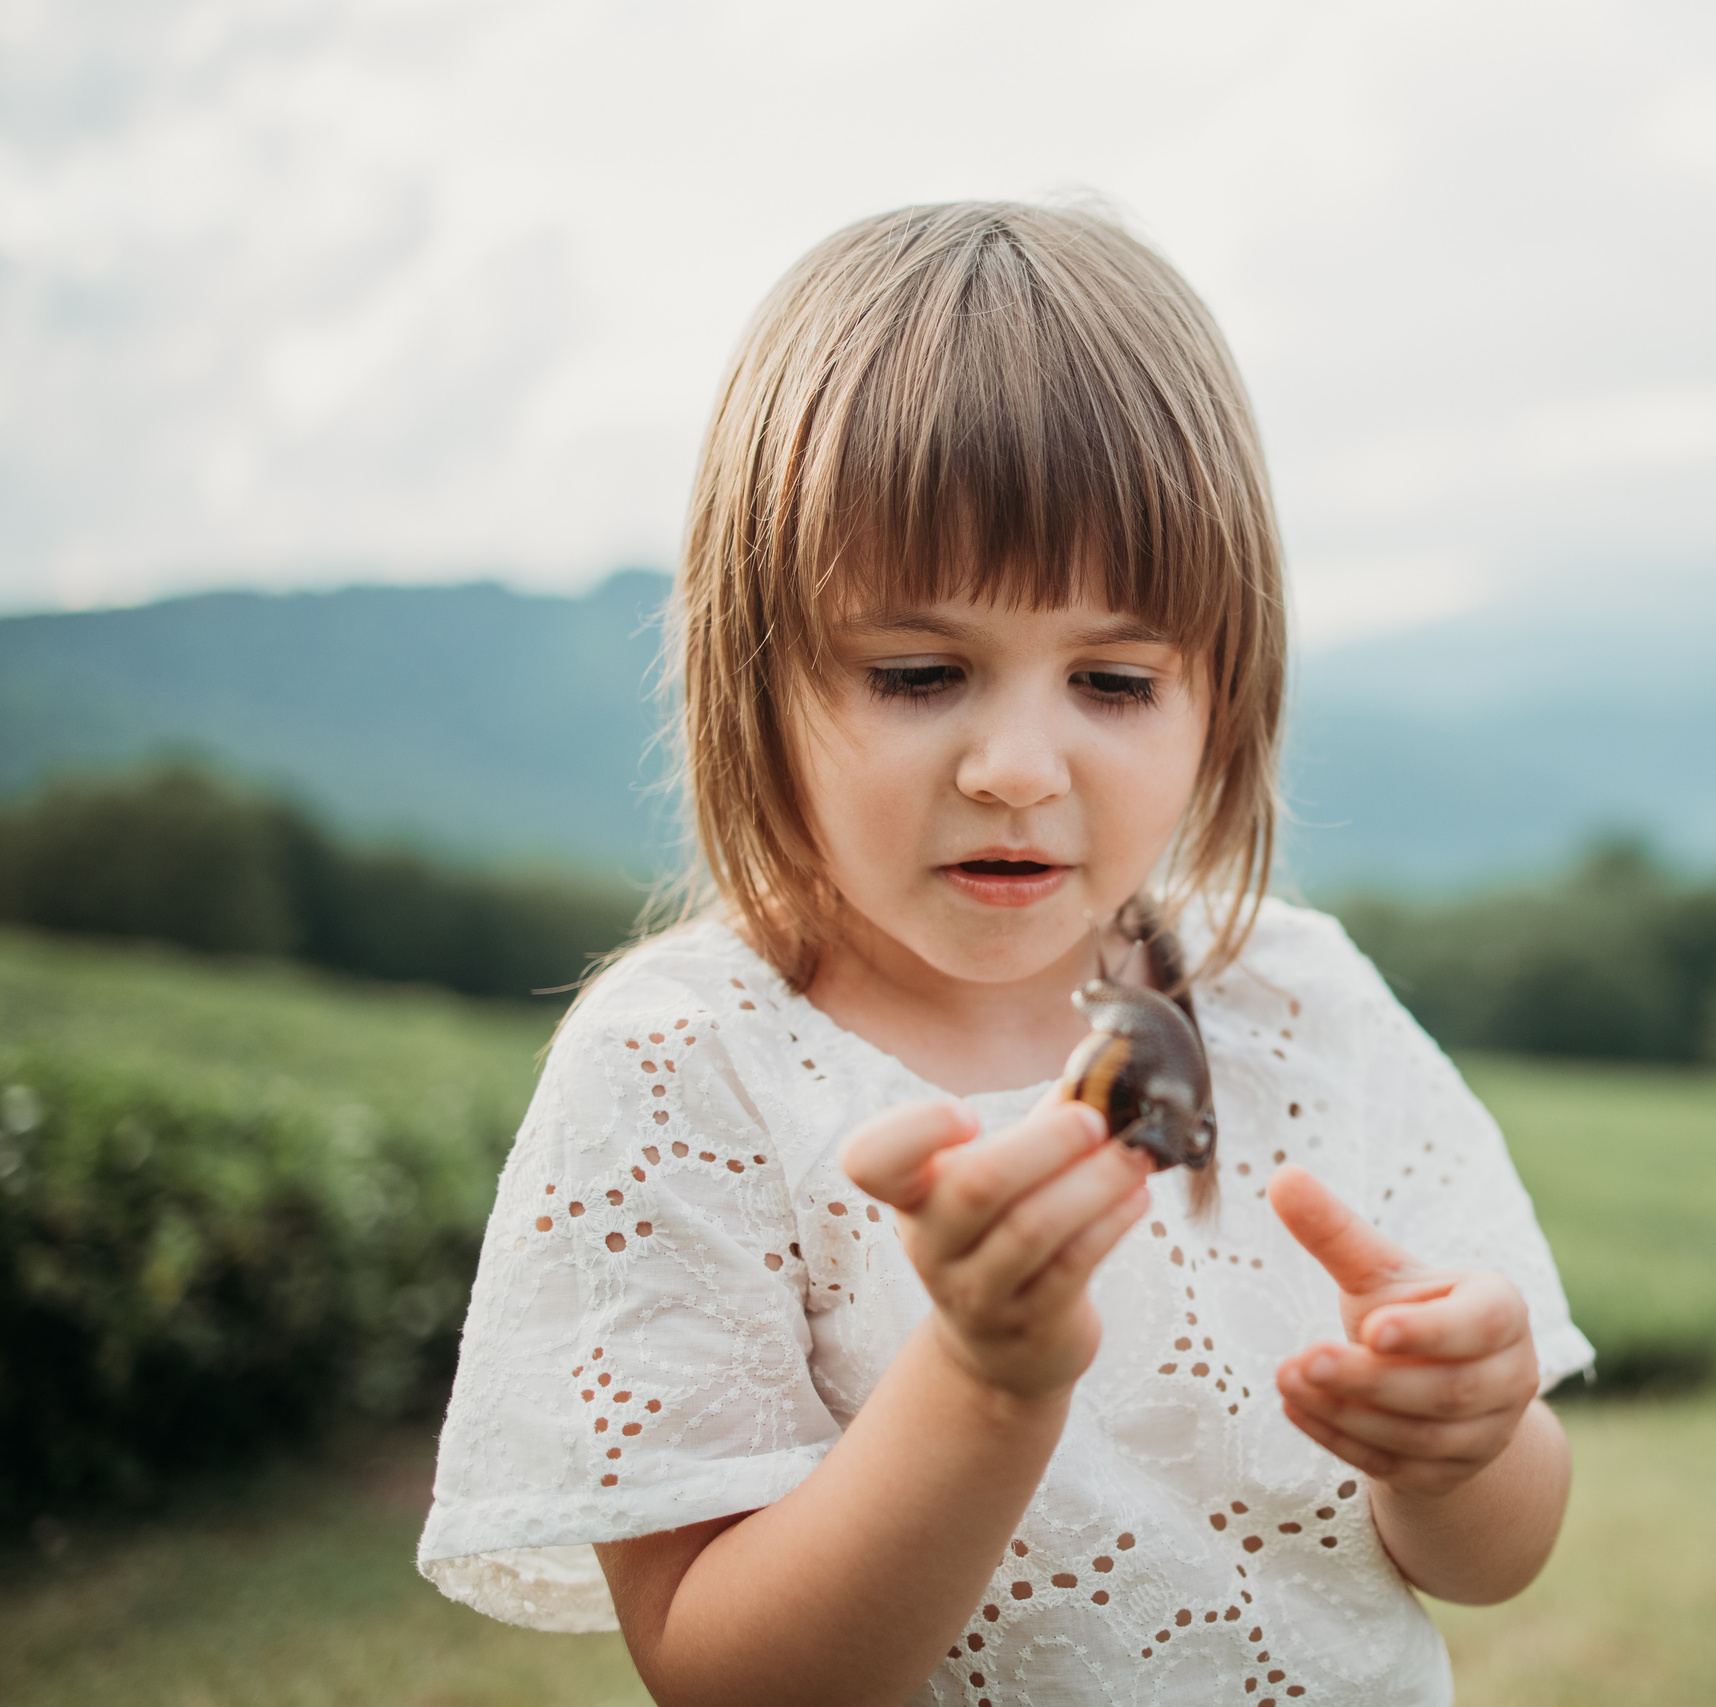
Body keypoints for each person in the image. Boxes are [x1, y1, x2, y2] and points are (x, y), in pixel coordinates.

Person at [416, 201, 1594, 1707]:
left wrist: (1472, 1438)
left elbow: (1490, 1560)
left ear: (1222, 693)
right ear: (753, 675)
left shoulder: (1303, 1008)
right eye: (918, 674)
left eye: (1113, 679)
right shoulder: (689, 1067)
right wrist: (986, 1383)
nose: (1019, 766)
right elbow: (729, 1672)